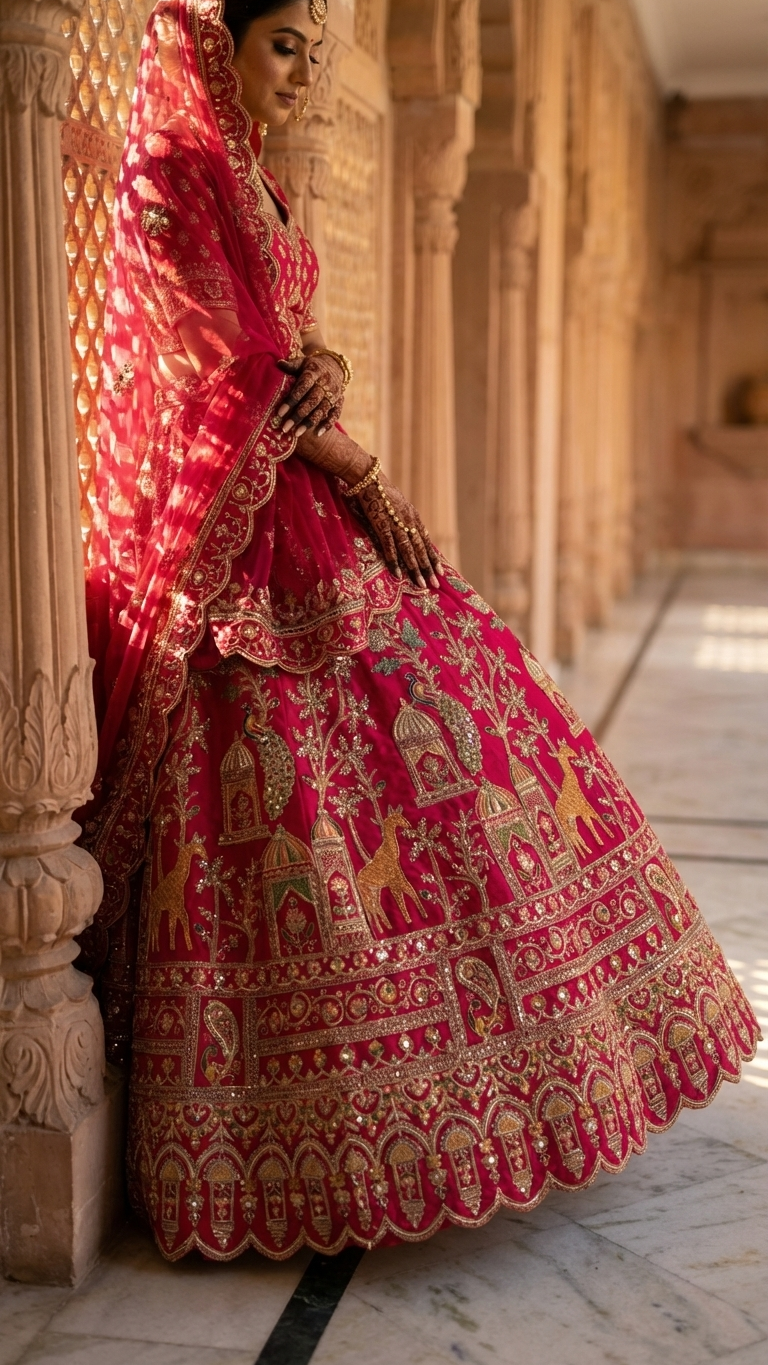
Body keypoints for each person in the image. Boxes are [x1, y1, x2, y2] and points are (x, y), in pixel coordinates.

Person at [80, 0, 759, 1263]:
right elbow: (207, 360)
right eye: (284, 45)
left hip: (306, 500)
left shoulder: (265, 185)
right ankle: (287, 1139)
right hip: (247, 535)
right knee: (291, 804)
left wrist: (323, 384)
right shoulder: (171, 170)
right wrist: (358, 463)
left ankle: (498, 1079)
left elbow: (278, 349)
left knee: (453, 751)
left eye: (316, 56)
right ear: (220, 40)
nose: (301, 76)